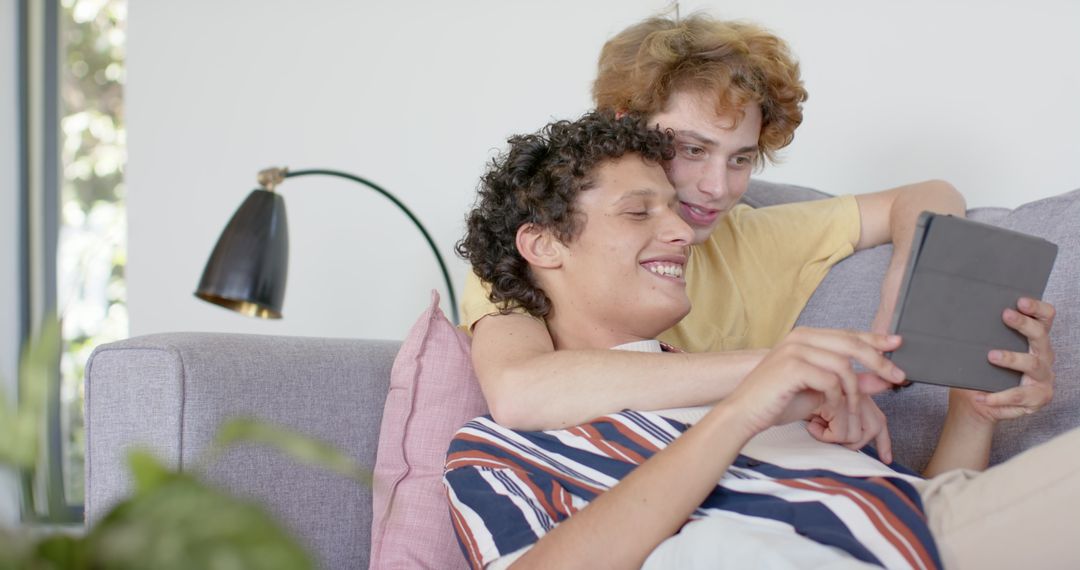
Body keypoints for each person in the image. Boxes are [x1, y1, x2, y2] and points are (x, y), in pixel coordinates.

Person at [444, 111, 1071, 569]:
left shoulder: (766, 388)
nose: (682, 233)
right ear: (543, 245)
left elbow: (930, 510)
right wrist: (743, 410)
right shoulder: (498, 448)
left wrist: (973, 406)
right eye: (639, 213)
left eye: (675, 209)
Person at [459, 15, 1049, 463]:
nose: (715, 187)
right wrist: (783, 372)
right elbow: (520, 392)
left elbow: (929, 192)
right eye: (690, 149)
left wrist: (908, 279)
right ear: (623, 129)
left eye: (740, 158)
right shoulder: (551, 250)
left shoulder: (753, 238)